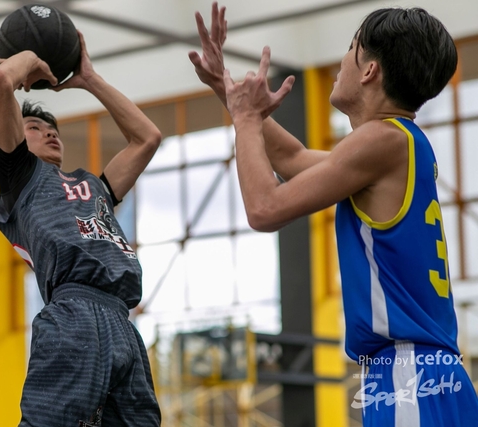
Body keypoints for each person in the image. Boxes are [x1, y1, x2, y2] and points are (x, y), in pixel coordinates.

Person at [190, 3, 478, 426]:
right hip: (426, 373)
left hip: (409, 373)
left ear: (369, 71)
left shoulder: (382, 140)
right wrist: (226, 88)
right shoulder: (401, 143)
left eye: (350, 48)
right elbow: (293, 158)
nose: (342, 61)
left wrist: (247, 117)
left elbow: (264, 208)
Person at [0, 30, 162, 427]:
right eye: (34, 127)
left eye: (53, 129)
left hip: (121, 321)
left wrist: (90, 79)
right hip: (74, 313)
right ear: (13, 137)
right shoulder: (21, 177)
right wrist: (30, 59)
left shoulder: (94, 186)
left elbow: (147, 138)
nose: (50, 132)